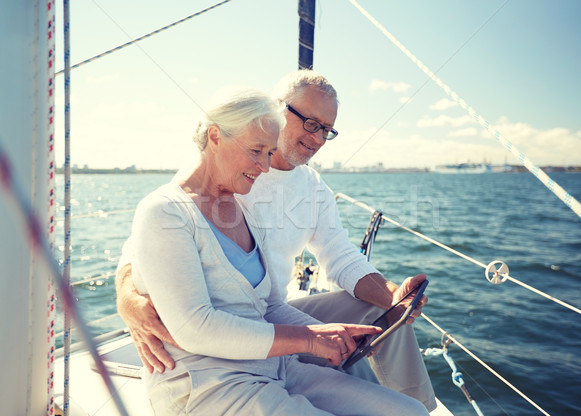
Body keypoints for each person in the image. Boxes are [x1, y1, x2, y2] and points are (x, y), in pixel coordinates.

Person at [116, 70, 436, 412]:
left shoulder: (307, 188)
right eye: (312, 124)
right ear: (278, 108)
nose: (318, 139)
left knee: (388, 340)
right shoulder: (205, 181)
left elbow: (337, 257)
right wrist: (128, 300)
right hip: (206, 368)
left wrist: (389, 297)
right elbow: (143, 250)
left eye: (327, 130)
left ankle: (416, 403)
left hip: (269, 325)